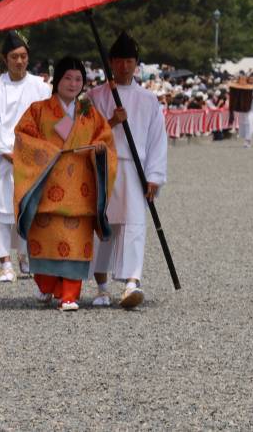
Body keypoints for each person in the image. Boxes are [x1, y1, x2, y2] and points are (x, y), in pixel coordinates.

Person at [13, 57, 117, 311]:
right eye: (68, 78)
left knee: (75, 244)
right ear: (57, 80)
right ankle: (49, 286)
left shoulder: (88, 112)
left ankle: (70, 295)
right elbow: (23, 137)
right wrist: (47, 151)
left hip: (79, 191)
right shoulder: (38, 110)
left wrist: (100, 150)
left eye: (78, 79)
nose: (73, 84)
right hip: (46, 189)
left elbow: (104, 139)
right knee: (44, 244)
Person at [89, 33, 167, 309]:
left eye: (130, 61)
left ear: (137, 64)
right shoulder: (95, 96)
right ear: (110, 62)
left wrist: (155, 177)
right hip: (104, 168)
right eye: (120, 61)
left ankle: (132, 282)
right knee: (103, 225)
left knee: (133, 224)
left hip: (135, 169)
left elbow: (158, 139)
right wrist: (111, 121)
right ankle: (100, 285)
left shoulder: (148, 99)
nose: (125, 66)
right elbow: (85, 136)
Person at [0, 32, 51, 281]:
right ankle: (5, 263)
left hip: (32, 157)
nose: (19, 61)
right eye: (14, 57)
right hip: (3, 157)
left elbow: (48, 121)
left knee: (28, 209)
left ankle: (25, 256)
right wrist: (7, 152)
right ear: (5, 59)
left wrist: (33, 151)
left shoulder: (41, 87)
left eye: (23, 56)